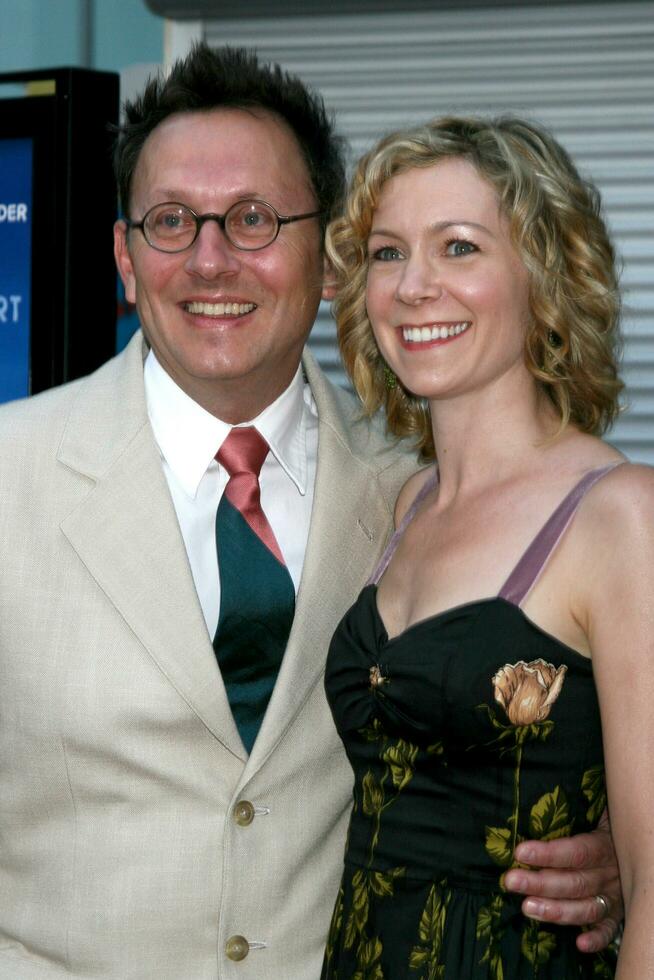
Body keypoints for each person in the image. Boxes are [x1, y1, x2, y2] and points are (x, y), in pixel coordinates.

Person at [0, 45, 621, 980]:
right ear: (125, 259)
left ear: (326, 257)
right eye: (171, 221)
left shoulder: (414, 495)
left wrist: (611, 857)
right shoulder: (11, 473)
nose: (211, 260)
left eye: (254, 219)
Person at [321, 114, 654, 978]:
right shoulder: (404, 505)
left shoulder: (620, 518)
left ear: (544, 276)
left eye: (459, 247)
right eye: (388, 253)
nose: (413, 285)